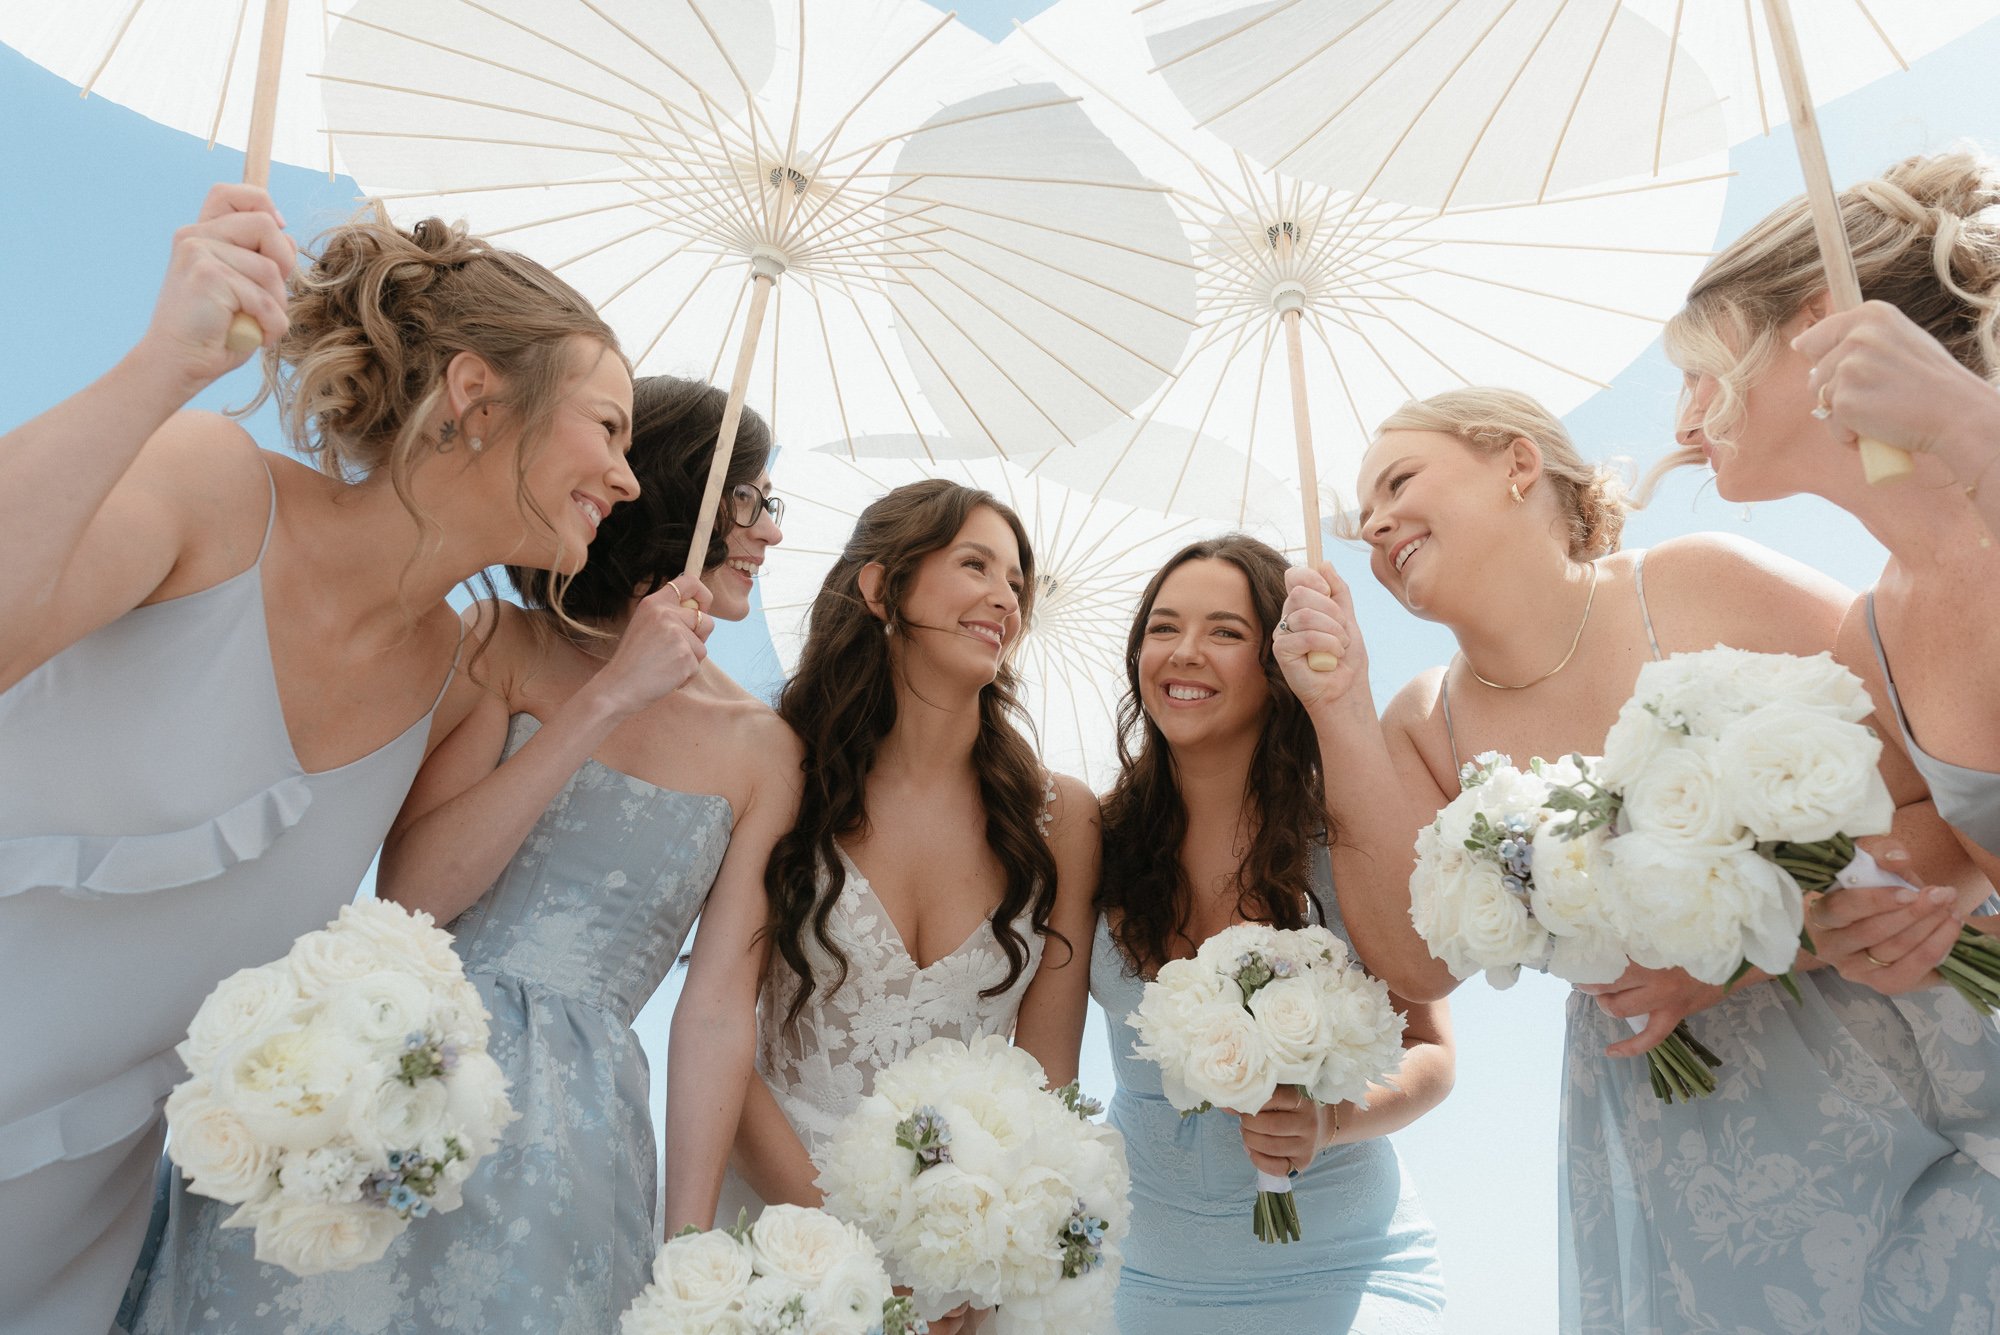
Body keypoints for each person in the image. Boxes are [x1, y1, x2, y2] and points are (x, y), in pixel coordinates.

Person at [0, 184, 643, 1333]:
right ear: (476, 398)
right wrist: (164, 365)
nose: (629, 478)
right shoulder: (211, 488)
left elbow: (417, 912)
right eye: (607, 427)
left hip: (65, 1234)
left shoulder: (453, 681)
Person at [1302, 385, 2000, 1333]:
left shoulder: (1694, 582)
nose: (1376, 522)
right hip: (1701, 1125)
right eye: (1364, 513)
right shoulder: (1427, 722)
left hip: (1904, 1022)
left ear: (1516, 464)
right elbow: (1417, 963)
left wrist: (1759, 945)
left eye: (1398, 479)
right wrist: (1337, 705)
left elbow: (1960, 778)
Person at [126, 376, 791, 1331]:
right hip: (390, 1068)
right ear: (680, 489)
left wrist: (686, 1252)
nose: (769, 530)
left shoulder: (763, 750)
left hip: (578, 1137)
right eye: (751, 499)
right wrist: (607, 700)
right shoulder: (501, 642)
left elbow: (718, 1010)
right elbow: (416, 896)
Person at [662, 480, 1099, 1332]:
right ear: (880, 587)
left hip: (969, 1286)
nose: (1004, 596)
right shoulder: (785, 772)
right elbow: (723, 1035)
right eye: (974, 564)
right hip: (784, 1241)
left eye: (1016, 581)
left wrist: (977, 1267)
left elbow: (1049, 1075)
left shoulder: (1061, 818)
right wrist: (856, 1261)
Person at [1661, 150, 2000, 994]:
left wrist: (1972, 426)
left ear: (1824, 318)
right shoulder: (1875, 636)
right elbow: (1958, 889)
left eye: (1700, 373)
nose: (1683, 423)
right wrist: (1886, 940)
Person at [1092, 535, 1450, 1334]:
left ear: (1277, 660)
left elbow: (1432, 1048)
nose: (1185, 652)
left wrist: (1332, 1121)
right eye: (1162, 627)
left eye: (1224, 631)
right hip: (1140, 1279)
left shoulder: (1346, 830)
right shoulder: (1095, 839)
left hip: (1351, 1267)